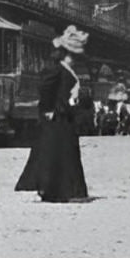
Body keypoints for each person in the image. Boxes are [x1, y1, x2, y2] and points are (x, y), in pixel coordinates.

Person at [14, 25, 91, 202]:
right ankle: (53, 190)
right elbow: (46, 90)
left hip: (64, 119)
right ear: (65, 54)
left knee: (62, 155)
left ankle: (64, 189)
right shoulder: (57, 70)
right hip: (57, 119)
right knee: (55, 156)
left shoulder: (66, 70)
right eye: (73, 56)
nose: (75, 59)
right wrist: (49, 110)